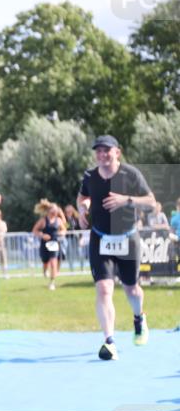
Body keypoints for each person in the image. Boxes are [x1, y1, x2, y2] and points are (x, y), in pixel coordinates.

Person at [76, 135, 156, 360]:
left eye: (107, 151)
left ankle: (139, 318)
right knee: (103, 289)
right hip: (100, 239)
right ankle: (109, 341)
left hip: (127, 239)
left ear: (117, 152)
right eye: (98, 151)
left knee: (132, 290)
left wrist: (125, 200)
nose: (102, 155)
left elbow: (151, 202)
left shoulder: (131, 174)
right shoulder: (90, 176)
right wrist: (82, 209)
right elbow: (83, 196)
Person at [31, 200, 67, 290]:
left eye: (56, 211)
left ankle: (52, 283)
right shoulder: (43, 220)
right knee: (45, 262)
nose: (55, 213)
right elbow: (34, 230)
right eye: (53, 211)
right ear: (49, 211)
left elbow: (64, 229)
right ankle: (45, 270)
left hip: (54, 243)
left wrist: (61, 233)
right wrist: (42, 235)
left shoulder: (58, 220)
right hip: (44, 244)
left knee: (53, 263)